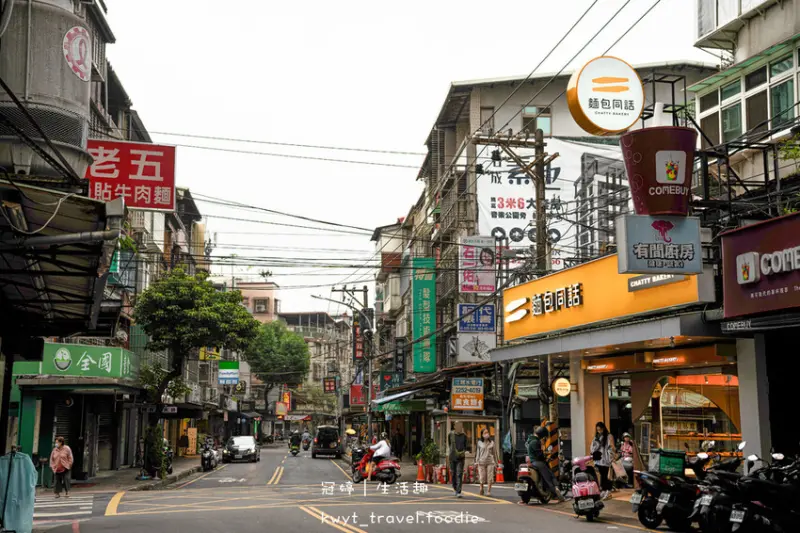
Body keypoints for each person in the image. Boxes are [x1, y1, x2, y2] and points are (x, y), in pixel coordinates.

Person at [525, 426, 565, 502]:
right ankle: (556, 495)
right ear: (541, 435)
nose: (543, 438)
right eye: (543, 436)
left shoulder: (530, 440)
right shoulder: (535, 442)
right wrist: (545, 457)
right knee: (549, 477)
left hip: (533, 462)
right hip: (538, 462)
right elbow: (539, 455)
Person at [591, 422, 615, 498]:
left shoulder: (609, 436)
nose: (599, 431)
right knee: (602, 475)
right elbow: (593, 447)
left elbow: (612, 447)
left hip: (606, 459)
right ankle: (604, 490)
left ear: (603, 428)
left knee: (607, 475)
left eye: (600, 429)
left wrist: (612, 457)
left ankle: (608, 490)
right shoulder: (597, 437)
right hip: (599, 459)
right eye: (598, 430)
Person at [475, 428, 497, 496]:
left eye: (487, 432)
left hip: (490, 461)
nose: (486, 434)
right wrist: (476, 461)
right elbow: (478, 453)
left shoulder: (492, 443)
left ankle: (488, 491)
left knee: (490, 477)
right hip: (481, 462)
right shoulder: (479, 443)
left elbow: (494, 453)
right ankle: (481, 488)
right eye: (485, 433)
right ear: (482, 434)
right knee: (482, 477)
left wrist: (496, 463)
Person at [448, 422, 467, 498]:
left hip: (461, 457)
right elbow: (449, 444)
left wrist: (462, 452)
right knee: (453, 473)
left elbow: (465, 445)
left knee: (459, 474)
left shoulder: (464, 436)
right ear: (455, 426)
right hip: (452, 457)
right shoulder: (451, 434)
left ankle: (458, 491)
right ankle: (455, 488)